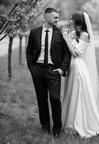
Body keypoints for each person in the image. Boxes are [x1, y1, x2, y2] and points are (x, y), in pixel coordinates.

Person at [62, 12, 99, 138]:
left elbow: (76, 53)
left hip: (77, 67)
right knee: (70, 94)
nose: (70, 21)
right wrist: (67, 37)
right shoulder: (73, 33)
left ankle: (79, 123)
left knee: (78, 95)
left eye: (72, 19)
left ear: (78, 21)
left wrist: (66, 39)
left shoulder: (85, 35)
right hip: (70, 67)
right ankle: (69, 122)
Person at [26, 8, 71, 137]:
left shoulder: (60, 33)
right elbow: (29, 51)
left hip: (53, 70)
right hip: (38, 70)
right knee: (41, 100)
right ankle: (45, 128)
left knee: (55, 99)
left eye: (58, 17)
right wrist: (32, 68)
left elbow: (66, 53)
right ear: (46, 18)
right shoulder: (34, 32)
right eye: (55, 17)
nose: (58, 20)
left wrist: (62, 69)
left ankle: (57, 130)